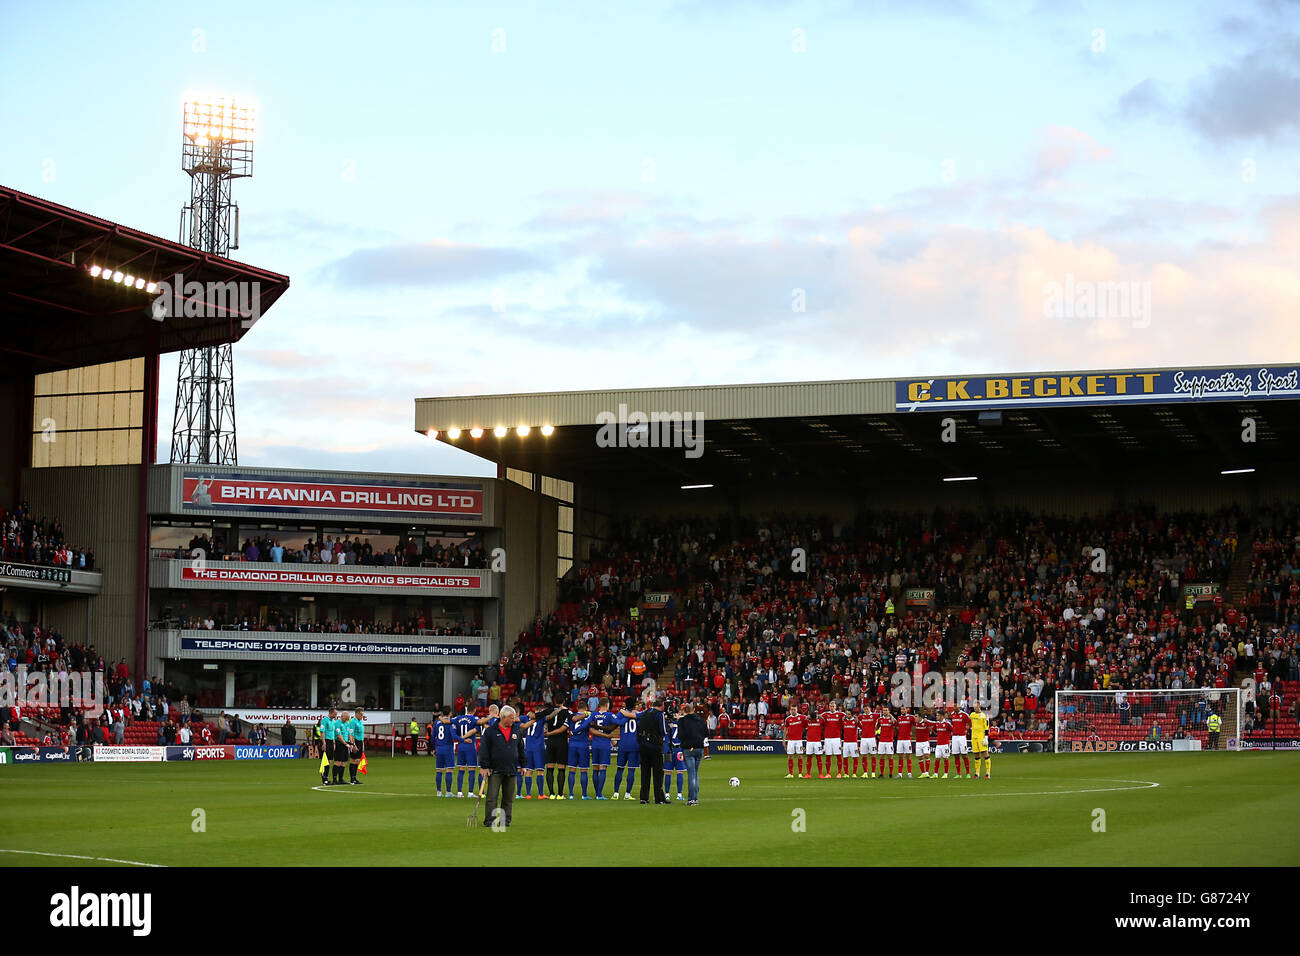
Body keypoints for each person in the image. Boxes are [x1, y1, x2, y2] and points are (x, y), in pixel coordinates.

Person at [478, 705, 526, 828]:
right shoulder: (490, 731)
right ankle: (490, 821)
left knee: (508, 798)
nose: (513, 720)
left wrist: (523, 765)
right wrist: (484, 766)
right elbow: (484, 750)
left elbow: (521, 749)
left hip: (512, 768)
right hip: (495, 769)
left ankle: (505, 821)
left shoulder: (516, 730)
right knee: (492, 797)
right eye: (511, 717)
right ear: (503, 717)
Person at [638, 695, 669, 805]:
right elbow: (663, 731)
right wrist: (668, 725)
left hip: (643, 745)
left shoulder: (645, 713)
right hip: (655, 746)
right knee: (658, 773)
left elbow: (639, 727)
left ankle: (644, 797)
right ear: (662, 706)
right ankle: (658, 798)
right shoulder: (659, 714)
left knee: (645, 772)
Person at [676, 703, 708, 805]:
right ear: (693, 709)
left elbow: (680, 735)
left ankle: (692, 799)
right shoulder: (701, 720)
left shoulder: (682, 721)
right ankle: (695, 797)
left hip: (688, 748)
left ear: (684, 711)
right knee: (695, 773)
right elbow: (706, 733)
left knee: (691, 774)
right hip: (699, 747)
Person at [587, 698, 618, 799]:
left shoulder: (593, 714)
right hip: (605, 744)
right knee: (603, 768)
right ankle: (599, 794)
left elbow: (588, 724)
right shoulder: (610, 715)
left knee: (595, 768)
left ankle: (597, 793)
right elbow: (618, 722)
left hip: (595, 743)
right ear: (607, 705)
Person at [611, 700, 641, 799]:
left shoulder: (621, 714)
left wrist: (623, 715)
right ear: (635, 706)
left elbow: (615, 721)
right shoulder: (638, 714)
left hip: (623, 744)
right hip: (635, 745)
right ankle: (627, 794)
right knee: (631, 770)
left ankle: (616, 793)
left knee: (620, 768)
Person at [543, 701, 571, 800]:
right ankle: (560, 794)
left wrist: (547, 731)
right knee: (561, 769)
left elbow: (543, 720)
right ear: (564, 701)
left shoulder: (549, 711)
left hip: (550, 742)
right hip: (561, 742)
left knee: (549, 768)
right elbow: (564, 727)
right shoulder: (567, 711)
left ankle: (551, 794)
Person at [451, 705, 480, 797]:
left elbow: (453, 732)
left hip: (461, 746)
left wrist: (461, 739)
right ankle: (470, 793)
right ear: (474, 710)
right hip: (470, 745)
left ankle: (459, 792)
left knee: (461, 769)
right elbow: (475, 730)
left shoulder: (458, 718)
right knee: (472, 769)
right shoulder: (475, 719)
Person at [566, 704, 593, 799]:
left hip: (572, 744)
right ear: (586, 709)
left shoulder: (572, 717)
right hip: (583, 745)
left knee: (572, 770)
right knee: (583, 770)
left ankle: (571, 794)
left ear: (577, 708)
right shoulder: (588, 717)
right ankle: (584, 794)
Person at [433, 707, 456, 796]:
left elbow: (433, 736)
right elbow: (454, 734)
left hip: (439, 748)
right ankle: (448, 792)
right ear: (450, 713)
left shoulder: (437, 722)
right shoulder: (450, 722)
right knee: (449, 769)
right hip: (448, 748)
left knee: (439, 770)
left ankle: (438, 792)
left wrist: (434, 748)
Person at [970, 702, 991, 779]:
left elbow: (986, 727)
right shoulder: (972, 715)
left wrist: (986, 737)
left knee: (985, 754)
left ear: (979, 706)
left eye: (976, 707)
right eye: (974, 707)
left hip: (981, 738)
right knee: (976, 755)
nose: (975, 708)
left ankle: (988, 773)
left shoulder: (984, 715)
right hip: (974, 737)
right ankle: (977, 773)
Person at [320, 707, 339, 786]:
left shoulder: (333, 721)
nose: (336, 716)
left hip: (331, 742)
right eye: (335, 714)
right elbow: (322, 732)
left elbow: (333, 733)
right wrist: (324, 742)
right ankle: (324, 779)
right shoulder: (324, 720)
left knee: (330, 761)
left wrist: (334, 743)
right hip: (326, 741)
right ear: (331, 713)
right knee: (326, 761)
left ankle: (326, 777)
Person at [347, 708, 365, 784]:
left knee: (357, 760)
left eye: (362, 715)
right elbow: (351, 734)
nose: (362, 716)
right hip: (355, 742)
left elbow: (361, 734)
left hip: (360, 742)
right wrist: (353, 745)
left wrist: (363, 744)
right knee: (353, 760)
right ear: (356, 713)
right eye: (361, 715)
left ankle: (354, 778)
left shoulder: (360, 722)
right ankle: (352, 779)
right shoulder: (352, 722)